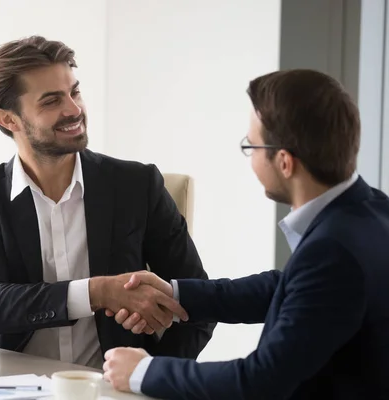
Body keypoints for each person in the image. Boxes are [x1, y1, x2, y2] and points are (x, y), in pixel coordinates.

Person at [103, 69, 389, 399]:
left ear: (284, 162)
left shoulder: (331, 251)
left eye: (251, 146)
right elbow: (287, 288)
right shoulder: (372, 210)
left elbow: (261, 381)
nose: (250, 157)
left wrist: (144, 371)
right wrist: (176, 294)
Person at [0, 35, 214, 370]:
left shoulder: (137, 185)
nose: (74, 109)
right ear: (8, 120)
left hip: (112, 388)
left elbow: (200, 301)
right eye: (51, 101)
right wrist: (96, 292)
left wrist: (151, 376)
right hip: (17, 385)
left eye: (74, 92)